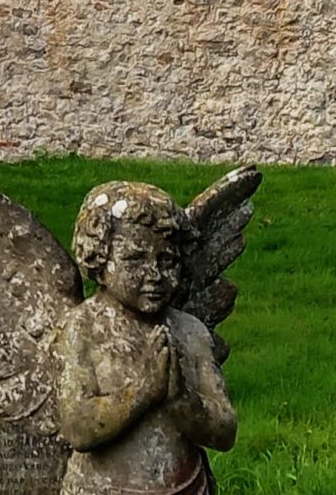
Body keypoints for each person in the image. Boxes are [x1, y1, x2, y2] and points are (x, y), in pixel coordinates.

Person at [53, 181, 238, 495]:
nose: (154, 274)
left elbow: (225, 431)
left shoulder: (189, 331)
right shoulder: (82, 327)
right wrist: (144, 389)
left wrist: (181, 401)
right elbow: (78, 428)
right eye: (134, 260)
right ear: (99, 258)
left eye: (168, 262)